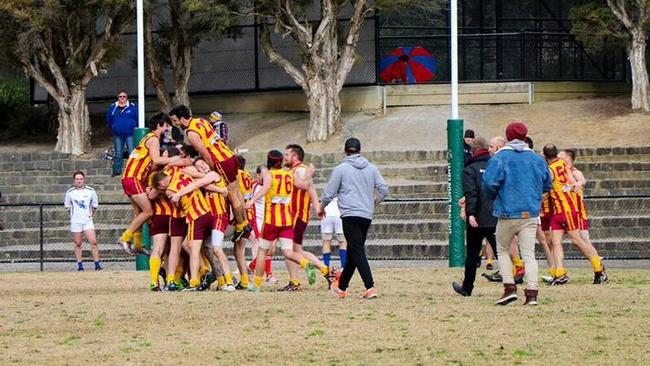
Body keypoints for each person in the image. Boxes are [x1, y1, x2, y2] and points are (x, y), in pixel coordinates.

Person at [482, 121, 551, 306]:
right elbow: (547, 183)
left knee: (503, 250)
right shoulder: (537, 159)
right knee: (529, 254)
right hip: (529, 213)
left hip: (507, 212)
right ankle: (532, 292)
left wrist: (494, 195)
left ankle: (509, 288)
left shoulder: (500, 157)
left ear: (507, 136)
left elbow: (489, 183)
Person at [168, 105, 250, 242]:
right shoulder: (202, 121)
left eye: (175, 120)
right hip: (229, 156)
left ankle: (240, 226)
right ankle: (245, 222)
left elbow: (205, 152)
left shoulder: (191, 133)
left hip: (220, 161)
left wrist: (213, 168)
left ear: (182, 118)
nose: (175, 124)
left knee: (232, 195)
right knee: (236, 191)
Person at [320, 138, 389, 300]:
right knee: (353, 250)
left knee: (357, 250)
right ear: (360, 150)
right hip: (366, 215)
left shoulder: (341, 169)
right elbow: (384, 190)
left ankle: (370, 286)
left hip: (350, 214)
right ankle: (342, 287)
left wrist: (321, 206)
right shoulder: (371, 168)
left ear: (345, 151)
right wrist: (373, 203)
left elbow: (329, 193)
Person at [245, 150, 319, 292]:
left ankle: (257, 284)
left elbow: (266, 187)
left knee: (262, 251)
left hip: (272, 219)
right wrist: (309, 174)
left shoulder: (269, 174)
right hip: (287, 220)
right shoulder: (289, 175)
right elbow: (305, 186)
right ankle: (305, 263)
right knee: (288, 252)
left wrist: (252, 200)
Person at [119, 112, 182, 256]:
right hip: (133, 178)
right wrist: (176, 159)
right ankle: (125, 238)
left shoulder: (147, 139)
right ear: (159, 125)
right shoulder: (153, 138)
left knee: (139, 212)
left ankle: (138, 243)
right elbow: (157, 160)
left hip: (130, 178)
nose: (167, 129)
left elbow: (152, 164)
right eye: (166, 126)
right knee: (148, 211)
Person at [543, 144, 608, 285]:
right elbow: (571, 179)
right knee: (555, 243)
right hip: (558, 211)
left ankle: (598, 268)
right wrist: (574, 185)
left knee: (577, 240)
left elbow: (546, 188)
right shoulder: (562, 163)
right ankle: (559, 273)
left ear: (544, 156)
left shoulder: (549, 170)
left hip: (567, 210)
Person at [452, 137, 497, 296]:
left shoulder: (470, 169)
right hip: (495, 215)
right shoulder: (495, 166)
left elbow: (471, 194)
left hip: (477, 217)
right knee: (502, 252)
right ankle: (510, 284)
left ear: (473, 151)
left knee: (472, 254)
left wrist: (470, 213)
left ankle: (467, 287)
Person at [283, 144, 330, 291]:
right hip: (296, 216)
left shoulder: (300, 170)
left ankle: (295, 282)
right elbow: (312, 189)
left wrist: (318, 208)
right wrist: (318, 208)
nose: (284, 157)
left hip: (295, 215)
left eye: (287, 155)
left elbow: (308, 187)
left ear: (295, 156)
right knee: (296, 251)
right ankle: (328, 272)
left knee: (289, 250)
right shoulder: (295, 170)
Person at [64, 171, 101, 271]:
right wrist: (75, 216)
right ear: (74, 180)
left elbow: (94, 205)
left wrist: (89, 215)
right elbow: (67, 207)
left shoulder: (90, 191)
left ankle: (97, 264)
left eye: (80, 179)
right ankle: (80, 265)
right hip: (76, 221)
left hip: (87, 221)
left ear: (84, 179)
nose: (79, 181)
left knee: (93, 242)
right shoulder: (70, 192)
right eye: (77, 179)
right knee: (78, 243)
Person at [106, 90, 138, 177]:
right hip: (118, 134)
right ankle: (117, 171)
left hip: (130, 134)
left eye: (124, 96)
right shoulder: (113, 107)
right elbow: (109, 119)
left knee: (132, 153)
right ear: (118, 97)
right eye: (120, 96)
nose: (122, 98)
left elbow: (137, 118)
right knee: (118, 153)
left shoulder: (132, 107)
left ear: (127, 98)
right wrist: (112, 128)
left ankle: (133, 171)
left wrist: (134, 127)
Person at [321, 198, 347, 273]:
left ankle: (326, 266)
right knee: (343, 242)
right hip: (339, 213)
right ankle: (343, 267)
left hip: (327, 212)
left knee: (326, 242)